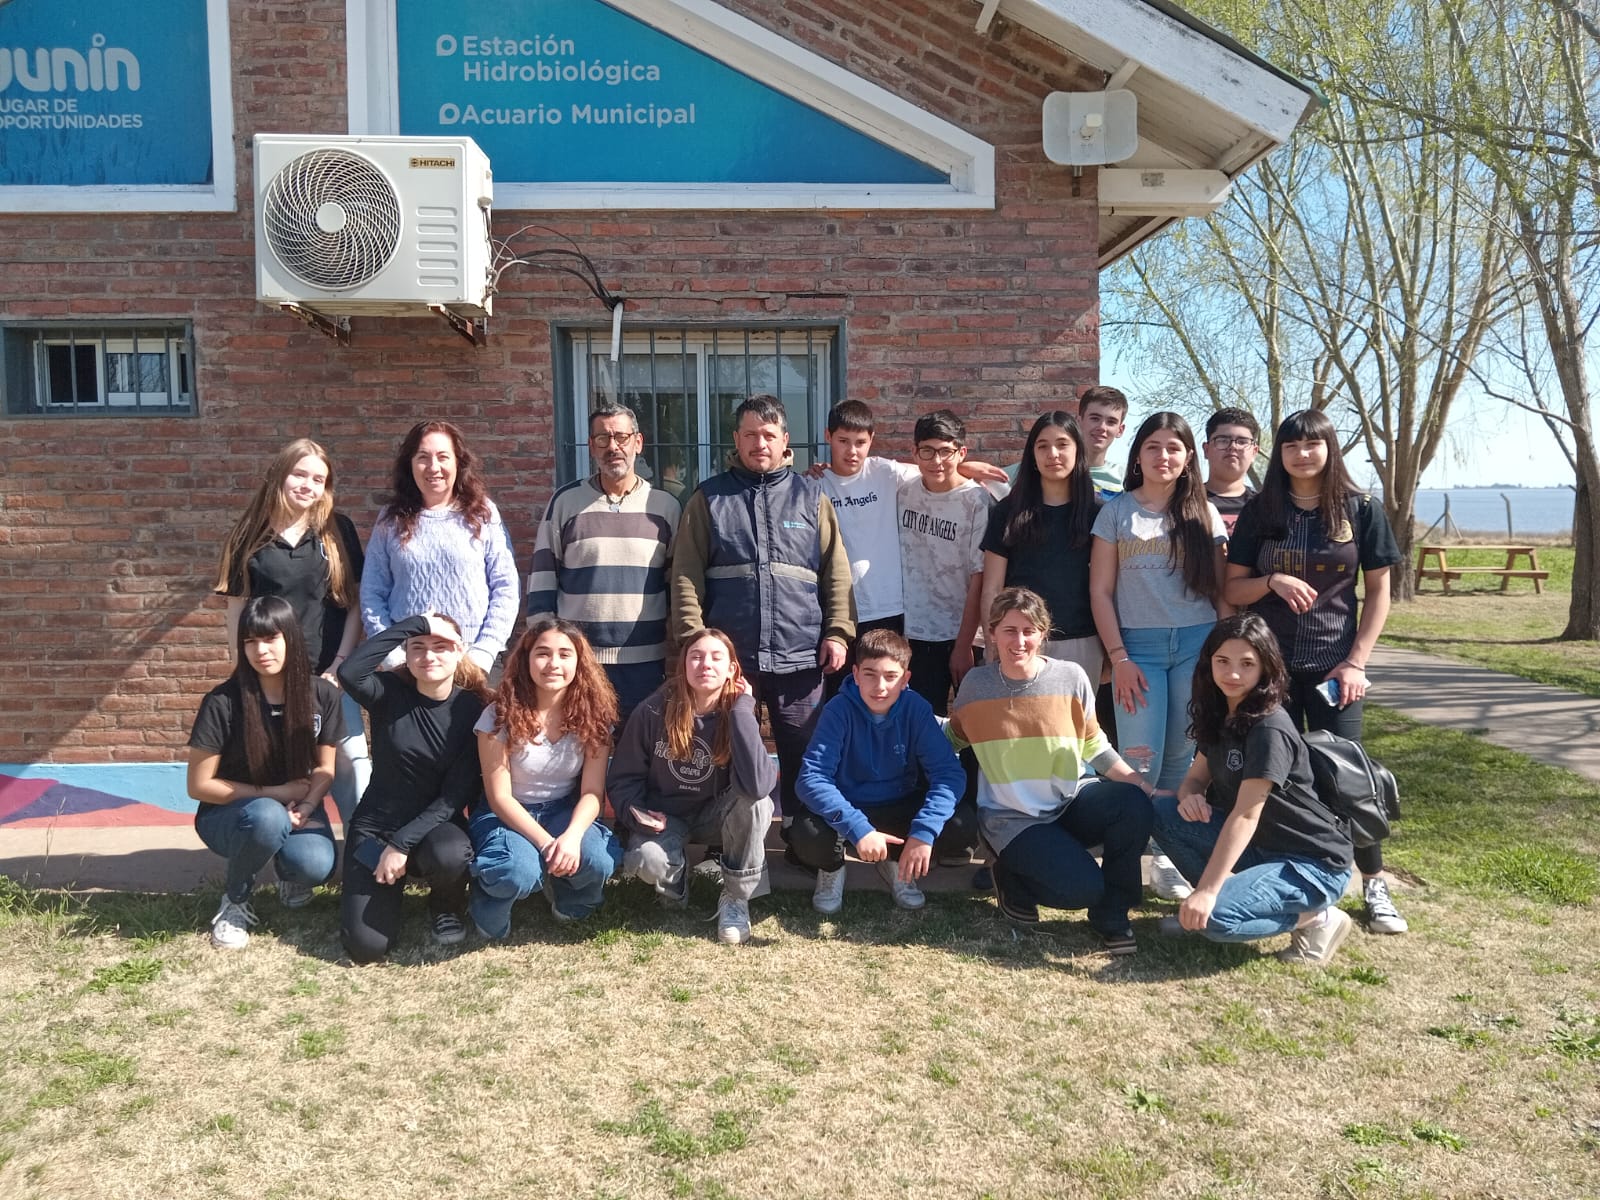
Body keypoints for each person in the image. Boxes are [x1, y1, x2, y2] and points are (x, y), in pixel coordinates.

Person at [1223, 408, 1408, 934]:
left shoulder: (1361, 509)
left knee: (1348, 778)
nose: (1302, 454)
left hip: (1334, 669)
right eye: (1291, 446)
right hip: (1270, 672)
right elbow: (1232, 589)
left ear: (1329, 449)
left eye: (1312, 444)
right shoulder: (1260, 511)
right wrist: (1272, 581)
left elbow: (1379, 592)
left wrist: (1357, 662)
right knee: (1274, 777)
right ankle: (1279, 876)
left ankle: (1373, 884)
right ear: (1278, 454)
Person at [669, 394, 854, 828]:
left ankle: (804, 837)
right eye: (750, 434)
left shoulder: (812, 497)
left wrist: (838, 632)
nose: (759, 443)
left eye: (768, 435)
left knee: (805, 754)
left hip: (801, 656)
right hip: (731, 661)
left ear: (785, 440)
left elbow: (836, 572)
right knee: (725, 753)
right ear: (736, 439)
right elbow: (685, 575)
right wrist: (694, 641)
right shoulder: (709, 498)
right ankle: (724, 840)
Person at [948, 588, 1155, 954]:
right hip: (1013, 819)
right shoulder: (976, 686)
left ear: (1043, 634)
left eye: (1029, 631)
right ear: (992, 633)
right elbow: (952, 738)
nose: (1019, 641)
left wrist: (1143, 786)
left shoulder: (1071, 677)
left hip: (1072, 799)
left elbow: (1094, 745)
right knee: (1082, 889)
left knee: (1132, 803)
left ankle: (1113, 916)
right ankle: (1010, 876)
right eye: (1009, 630)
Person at [1152, 613, 1356, 965]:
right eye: (1223, 661)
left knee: (1217, 918)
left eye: (1247, 664)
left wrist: (1208, 892)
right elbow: (1194, 780)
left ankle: (1318, 918)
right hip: (1261, 848)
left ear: (1265, 667)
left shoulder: (1269, 728)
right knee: (1161, 811)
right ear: (1208, 663)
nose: (1232, 674)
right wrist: (1190, 797)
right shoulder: (1220, 712)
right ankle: (1207, 905)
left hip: (1311, 863)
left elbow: (1246, 815)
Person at [1089, 411, 1230, 903]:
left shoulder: (1204, 513)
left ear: (1188, 457)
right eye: (1153, 446)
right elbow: (1101, 591)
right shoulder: (1115, 512)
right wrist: (1119, 657)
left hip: (1196, 644)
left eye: (1173, 448)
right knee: (1139, 759)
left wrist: (1221, 654)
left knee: (1179, 757)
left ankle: (1166, 855)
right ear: (1138, 455)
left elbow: (1221, 593)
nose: (1163, 456)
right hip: (1137, 650)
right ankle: (1127, 856)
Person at [213, 437, 369, 831]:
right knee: (282, 769)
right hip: (272, 679)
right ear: (280, 474)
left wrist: (340, 665)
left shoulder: (338, 531)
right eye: (300, 474)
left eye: (318, 479)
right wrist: (244, 672)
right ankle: (292, 849)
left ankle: (362, 852)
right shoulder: (248, 534)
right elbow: (236, 611)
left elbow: (355, 604)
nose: (308, 486)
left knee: (351, 765)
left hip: (328, 677)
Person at [186, 596, 342, 950]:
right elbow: (199, 785)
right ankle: (235, 900)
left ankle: (288, 873)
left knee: (315, 865)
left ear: (292, 638)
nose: (260, 650)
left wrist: (307, 805)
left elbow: (325, 767)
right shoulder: (223, 702)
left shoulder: (322, 694)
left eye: (271, 638)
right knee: (267, 818)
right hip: (230, 815)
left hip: (298, 804)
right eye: (250, 641)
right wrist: (277, 794)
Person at [608, 629, 778, 945]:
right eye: (696, 657)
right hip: (665, 817)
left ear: (731, 668)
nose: (705, 664)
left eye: (716, 657)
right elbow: (623, 779)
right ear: (683, 665)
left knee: (758, 804)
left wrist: (743, 709)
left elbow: (758, 786)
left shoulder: (738, 712)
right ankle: (676, 881)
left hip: (716, 816)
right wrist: (637, 813)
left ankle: (736, 898)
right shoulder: (653, 710)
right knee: (646, 860)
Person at [337, 611, 489, 962]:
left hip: (436, 827)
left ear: (459, 651)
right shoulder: (387, 692)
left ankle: (445, 905)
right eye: (417, 646)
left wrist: (401, 843)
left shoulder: (472, 708)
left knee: (451, 854)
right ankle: (388, 891)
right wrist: (417, 623)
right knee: (367, 947)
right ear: (405, 653)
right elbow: (349, 672)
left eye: (441, 646)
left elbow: (454, 796)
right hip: (376, 826)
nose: (429, 656)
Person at [793, 628, 974, 912]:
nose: (880, 686)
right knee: (807, 834)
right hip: (849, 806)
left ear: (905, 679)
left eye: (891, 676)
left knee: (962, 825)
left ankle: (895, 863)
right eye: (870, 674)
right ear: (855, 674)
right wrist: (858, 829)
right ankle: (832, 869)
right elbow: (811, 778)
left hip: (899, 804)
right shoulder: (838, 710)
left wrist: (923, 832)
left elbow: (948, 773)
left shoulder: (916, 709)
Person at [525, 402, 681, 724]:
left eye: (621, 437)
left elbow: (675, 586)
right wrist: (544, 646)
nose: (613, 447)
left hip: (644, 663)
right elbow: (543, 577)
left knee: (637, 750)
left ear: (638, 442)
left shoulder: (665, 507)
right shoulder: (566, 502)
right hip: (579, 662)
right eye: (603, 438)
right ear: (591, 446)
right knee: (581, 748)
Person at [468, 619, 622, 938]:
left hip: (562, 809)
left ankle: (572, 897)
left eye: (565, 654)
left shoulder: (593, 717)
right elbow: (499, 797)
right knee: (516, 871)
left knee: (598, 859)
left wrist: (572, 837)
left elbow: (592, 792)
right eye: (542, 653)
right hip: (506, 813)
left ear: (579, 663)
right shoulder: (498, 716)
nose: (553, 663)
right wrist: (547, 844)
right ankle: (487, 902)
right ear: (526, 660)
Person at [362, 420, 519, 672]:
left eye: (443, 457)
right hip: (409, 660)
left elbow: (506, 587)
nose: (433, 467)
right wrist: (392, 656)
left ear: (458, 462)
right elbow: (372, 592)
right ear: (410, 464)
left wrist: (484, 651)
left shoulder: (483, 514)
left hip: (470, 659)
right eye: (423, 457)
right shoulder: (391, 519)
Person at [980, 411, 1103, 684]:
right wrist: (993, 643)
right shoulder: (1007, 512)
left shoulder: (1098, 513)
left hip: (1082, 641)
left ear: (1077, 450)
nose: (1053, 454)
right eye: (1043, 446)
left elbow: (1107, 587)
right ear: (1032, 455)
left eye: (1062, 444)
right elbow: (992, 586)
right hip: (1019, 642)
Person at [897, 409, 994, 717]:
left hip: (965, 634)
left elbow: (980, 575)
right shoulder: (903, 491)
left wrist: (963, 645)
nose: (936, 460)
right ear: (914, 452)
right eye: (927, 451)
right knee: (924, 723)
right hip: (918, 634)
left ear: (961, 452)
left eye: (945, 452)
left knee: (974, 724)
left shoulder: (977, 500)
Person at [1203, 407, 1261, 536]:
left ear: (1254, 452)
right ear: (1206, 450)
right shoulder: (1184, 502)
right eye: (1223, 440)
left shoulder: (1265, 507)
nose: (1233, 447)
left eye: (1242, 442)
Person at [1078, 385, 1130, 502]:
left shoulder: (1126, 478)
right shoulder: (1060, 472)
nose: (1102, 427)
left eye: (1111, 422)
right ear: (1079, 422)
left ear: (1120, 430)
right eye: (1095, 418)